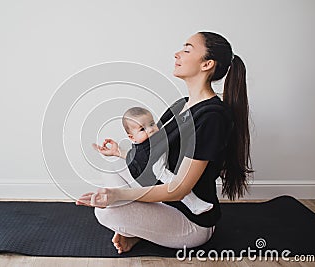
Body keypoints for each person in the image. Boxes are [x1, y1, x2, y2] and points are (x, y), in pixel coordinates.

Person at [76, 31, 253, 254]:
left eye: (187, 49)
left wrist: (117, 195)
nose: (177, 54)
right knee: (112, 168)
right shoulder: (181, 105)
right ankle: (140, 229)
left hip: (190, 221)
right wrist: (120, 153)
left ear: (207, 64)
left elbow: (179, 189)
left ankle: (137, 228)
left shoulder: (212, 116)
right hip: (164, 203)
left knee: (107, 211)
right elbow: (152, 155)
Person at [116, 106, 214, 215]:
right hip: (155, 169)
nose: (151, 129)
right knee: (166, 176)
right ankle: (194, 203)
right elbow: (137, 157)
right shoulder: (143, 149)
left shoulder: (156, 139)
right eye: (142, 129)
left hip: (159, 164)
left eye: (152, 124)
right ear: (132, 138)